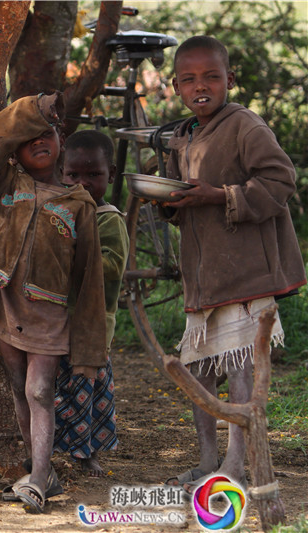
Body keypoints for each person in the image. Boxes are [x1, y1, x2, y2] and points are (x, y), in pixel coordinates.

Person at [160, 36, 306, 491]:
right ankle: (207, 460)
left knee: (241, 368)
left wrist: (221, 196)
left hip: (246, 273)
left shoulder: (245, 124)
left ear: (230, 80)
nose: (200, 86)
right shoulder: (182, 135)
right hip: (203, 280)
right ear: (176, 87)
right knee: (199, 369)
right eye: (189, 79)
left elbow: (281, 179)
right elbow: (174, 195)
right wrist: (167, 200)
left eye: (211, 77)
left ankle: (236, 465)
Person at [0, 92, 106, 512]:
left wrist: (89, 340)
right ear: (16, 147)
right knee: (16, 384)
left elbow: (89, 278)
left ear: (61, 141)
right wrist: (37, 107)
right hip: (3, 294)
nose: (40, 141)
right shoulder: (5, 182)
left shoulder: (80, 203)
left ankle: (40, 480)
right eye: (29, 137)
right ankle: (39, 470)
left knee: (40, 389)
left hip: (49, 309)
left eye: (48, 133)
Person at [54, 130, 126, 477]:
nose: (82, 184)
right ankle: (55, 448)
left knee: (87, 388)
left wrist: (79, 253)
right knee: (58, 387)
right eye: (73, 175)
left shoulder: (108, 219)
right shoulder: (58, 214)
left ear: (110, 175)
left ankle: (87, 454)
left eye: (93, 175)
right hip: (57, 321)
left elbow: (113, 266)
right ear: (61, 174)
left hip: (93, 324)